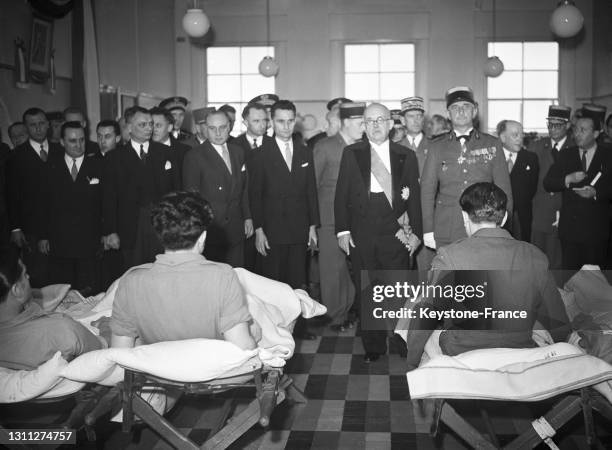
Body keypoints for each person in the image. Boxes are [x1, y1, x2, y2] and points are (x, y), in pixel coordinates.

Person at [404, 182, 571, 370]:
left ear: (464, 216)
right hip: (517, 356)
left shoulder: (449, 257)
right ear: (505, 216)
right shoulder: (535, 257)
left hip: (461, 357)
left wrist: (412, 360)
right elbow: (559, 324)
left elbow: (425, 317)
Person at [110, 191, 256, 350]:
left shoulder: (130, 281)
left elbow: (119, 353)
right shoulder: (224, 276)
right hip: (209, 372)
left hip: (156, 373)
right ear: (202, 238)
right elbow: (242, 348)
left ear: (161, 236)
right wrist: (254, 337)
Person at [335, 103, 422, 362]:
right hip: (362, 230)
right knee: (367, 292)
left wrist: (415, 232)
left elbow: (414, 199)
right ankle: (373, 347)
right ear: (364, 124)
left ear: (391, 124)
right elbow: (341, 195)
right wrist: (342, 231)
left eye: (381, 120)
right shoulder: (352, 153)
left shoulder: (406, 155)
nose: (375, 125)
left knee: (398, 291)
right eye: (370, 120)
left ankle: (400, 340)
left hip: (395, 230)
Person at [248, 100, 319, 339]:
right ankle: (273, 331)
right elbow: (254, 194)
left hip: (299, 228)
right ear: (272, 122)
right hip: (272, 228)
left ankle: (298, 328)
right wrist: (258, 229)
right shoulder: (259, 155)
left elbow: (311, 191)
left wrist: (312, 226)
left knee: (298, 280)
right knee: (273, 282)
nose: (286, 126)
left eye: (290, 121)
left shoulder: (304, 151)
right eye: (280, 121)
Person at [420, 86, 512, 250]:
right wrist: (427, 229)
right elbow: (427, 191)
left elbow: (504, 187)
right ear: (448, 114)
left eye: (466, 107)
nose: (460, 111)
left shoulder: (492, 144)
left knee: (481, 274)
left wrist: (503, 218)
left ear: (474, 111)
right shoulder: (436, 147)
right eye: (455, 107)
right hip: (447, 227)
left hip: (485, 224)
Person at [102, 106, 179, 272]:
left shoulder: (166, 153)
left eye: (151, 124)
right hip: (130, 228)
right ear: (129, 127)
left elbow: (176, 191)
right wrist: (110, 231)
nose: (149, 128)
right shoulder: (115, 157)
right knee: (134, 273)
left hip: (161, 226)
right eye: (143, 124)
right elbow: (109, 197)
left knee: (161, 273)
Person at [0, 245, 102, 370]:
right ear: (17, 290)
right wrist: (105, 328)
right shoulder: (59, 329)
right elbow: (101, 350)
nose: (28, 277)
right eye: (25, 274)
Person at [313, 102, 365, 332]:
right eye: (360, 123)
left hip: (356, 220)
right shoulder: (325, 147)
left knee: (349, 271)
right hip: (329, 219)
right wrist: (312, 223)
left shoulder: (363, 147)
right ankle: (336, 317)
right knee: (332, 271)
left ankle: (347, 310)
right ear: (346, 122)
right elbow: (311, 186)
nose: (364, 127)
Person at [37, 121, 104, 294]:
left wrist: (105, 233)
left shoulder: (98, 166)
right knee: (63, 291)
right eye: (73, 141)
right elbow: (43, 205)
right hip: (60, 242)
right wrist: (43, 236)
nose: (79, 145)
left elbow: (105, 203)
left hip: (89, 241)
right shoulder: (49, 168)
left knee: (89, 291)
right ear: (62, 142)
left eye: (82, 140)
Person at [544, 109, 612, 270]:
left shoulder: (608, 155)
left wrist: (596, 193)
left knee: (595, 280)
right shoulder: (566, 155)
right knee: (569, 278)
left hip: (596, 231)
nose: (577, 134)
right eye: (575, 129)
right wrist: (568, 179)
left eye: (583, 130)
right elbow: (548, 183)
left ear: (596, 133)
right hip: (570, 231)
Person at [183, 110, 252, 267]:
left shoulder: (238, 152)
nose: (218, 133)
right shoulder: (194, 156)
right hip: (211, 229)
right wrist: (197, 229)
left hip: (236, 227)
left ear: (229, 127)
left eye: (222, 127)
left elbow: (244, 188)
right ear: (205, 129)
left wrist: (247, 217)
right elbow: (191, 198)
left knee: (236, 275)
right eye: (212, 128)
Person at [7, 108, 63, 287]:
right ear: (26, 128)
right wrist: (15, 228)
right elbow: (12, 194)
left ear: (47, 125)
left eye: (41, 124)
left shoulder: (60, 151)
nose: (38, 129)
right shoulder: (16, 156)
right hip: (31, 226)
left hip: (59, 223)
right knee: (38, 274)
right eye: (33, 125)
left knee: (61, 273)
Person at [529, 105, 574, 269]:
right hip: (539, 210)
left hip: (564, 210)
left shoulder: (575, 147)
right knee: (537, 259)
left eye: (558, 125)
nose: (553, 129)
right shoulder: (536, 146)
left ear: (568, 125)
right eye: (550, 125)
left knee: (558, 260)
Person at [498, 120, 538, 242]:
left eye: (522, 135)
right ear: (503, 137)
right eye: (515, 135)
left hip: (521, 218)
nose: (520, 139)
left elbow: (532, 188)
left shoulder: (531, 158)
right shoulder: (493, 157)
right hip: (497, 217)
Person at [150, 106, 190, 185]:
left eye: (158, 125)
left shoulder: (185, 152)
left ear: (169, 127)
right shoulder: (143, 151)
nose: (154, 129)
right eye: (151, 125)